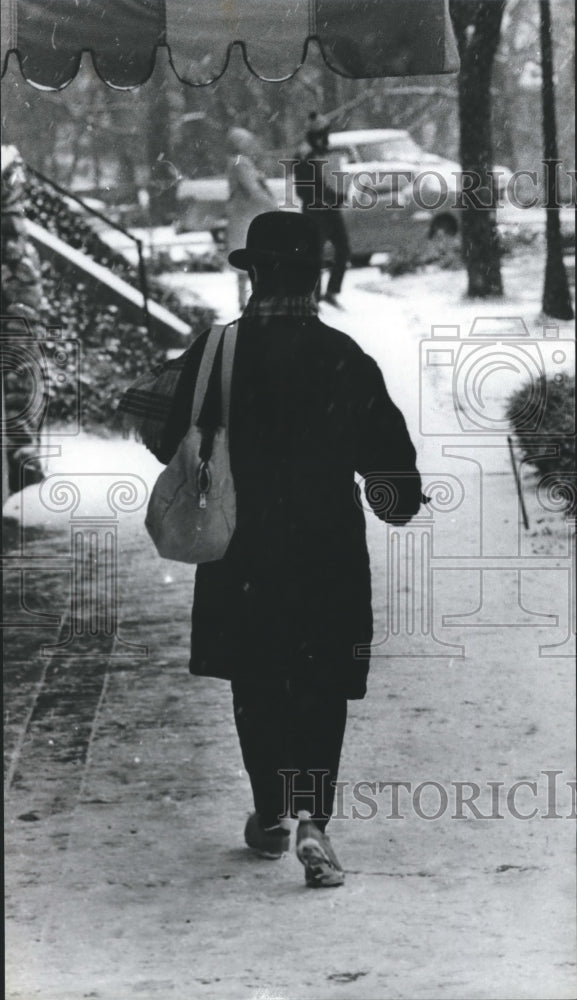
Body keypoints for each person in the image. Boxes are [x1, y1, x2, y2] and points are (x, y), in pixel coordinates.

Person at [119, 211, 423, 889]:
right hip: (326, 552)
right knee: (319, 682)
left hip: (241, 549)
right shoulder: (343, 356)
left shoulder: (218, 350)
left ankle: (269, 812)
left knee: (257, 680)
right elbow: (390, 465)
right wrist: (394, 497)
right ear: (315, 278)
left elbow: (157, 426)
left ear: (253, 275)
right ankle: (315, 818)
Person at [293, 112, 350, 307]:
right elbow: (306, 186)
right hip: (314, 211)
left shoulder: (324, 150)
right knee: (315, 255)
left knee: (343, 249)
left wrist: (339, 192)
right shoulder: (305, 154)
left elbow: (331, 176)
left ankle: (331, 291)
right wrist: (325, 196)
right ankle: (313, 298)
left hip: (330, 208)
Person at [226, 127, 276, 311]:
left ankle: (246, 298)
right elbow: (253, 190)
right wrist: (272, 207)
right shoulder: (241, 163)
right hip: (246, 215)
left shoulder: (236, 162)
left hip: (242, 214)